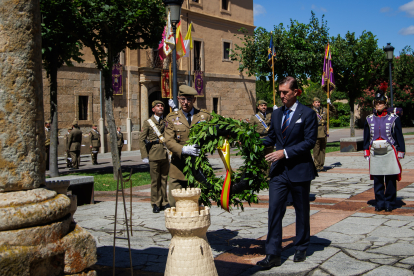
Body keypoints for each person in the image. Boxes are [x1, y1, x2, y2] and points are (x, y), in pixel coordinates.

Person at [257, 76, 318, 268]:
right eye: (280, 92)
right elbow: (272, 137)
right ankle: (273, 253)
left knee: (301, 210)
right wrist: (252, 141)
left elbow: (309, 142)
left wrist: (284, 152)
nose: (281, 96)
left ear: (296, 92)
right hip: (279, 172)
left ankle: (301, 246)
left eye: (285, 92)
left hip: (299, 169)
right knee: (274, 209)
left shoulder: (307, 114)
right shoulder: (276, 114)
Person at [165, 85, 212, 207]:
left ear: (194, 100)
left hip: (198, 169)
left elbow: (217, 131)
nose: (185, 103)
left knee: (196, 205)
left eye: (189, 99)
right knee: (175, 205)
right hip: (178, 169)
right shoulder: (171, 118)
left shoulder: (204, 116)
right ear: (178, 99)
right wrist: (183, 149)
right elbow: (168, 141)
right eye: (182, 99)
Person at [363, 88, 405, 212]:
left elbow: (399, 136)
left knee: (391, 178)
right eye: (377, 103)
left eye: (381, 102)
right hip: (375, 151)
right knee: (378, 179)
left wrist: (401, 150)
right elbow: (366, 137)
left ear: (385, 103)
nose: (379, 105)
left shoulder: (394, 118)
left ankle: (390, 202)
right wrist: (366, 150)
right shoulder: (369, 119)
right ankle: (380, 202)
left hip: (389, 150)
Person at [139, 100, 170, 213]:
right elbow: (142, 139)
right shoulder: (148, 122)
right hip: (153, 154)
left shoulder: (165, 121)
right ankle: (155, 203)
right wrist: (144, 155)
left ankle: (164, 202)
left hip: (164, 154)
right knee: (155, 181)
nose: (160, 107)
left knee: (164, 179)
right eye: (158, 106)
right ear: (153, 109)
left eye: (162, 106)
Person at [312, 97, 328, 172]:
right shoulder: (311, 111)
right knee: (316, 151)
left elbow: (333, 112)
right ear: (313, 104)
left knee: (322, 150)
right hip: (316, 133)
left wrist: (330, 104)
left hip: (324, 133)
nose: (318, 104)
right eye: (316, 102)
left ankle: (321, 165)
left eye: (319, 102)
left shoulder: (324, 110)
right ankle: (316, 166)